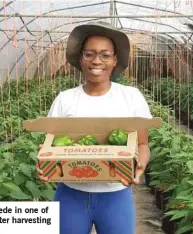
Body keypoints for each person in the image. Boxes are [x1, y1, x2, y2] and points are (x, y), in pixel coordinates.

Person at [36, 21, 152, 234]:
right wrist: (44, 165)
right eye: (89, 54)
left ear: (114, 59)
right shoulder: (65, 99)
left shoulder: (131, 97)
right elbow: (49, 146)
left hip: (115, 196)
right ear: (81, 59)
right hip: (71, 194)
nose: (96, 61)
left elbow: (142, 144)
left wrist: (140, 167)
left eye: (105, 55)